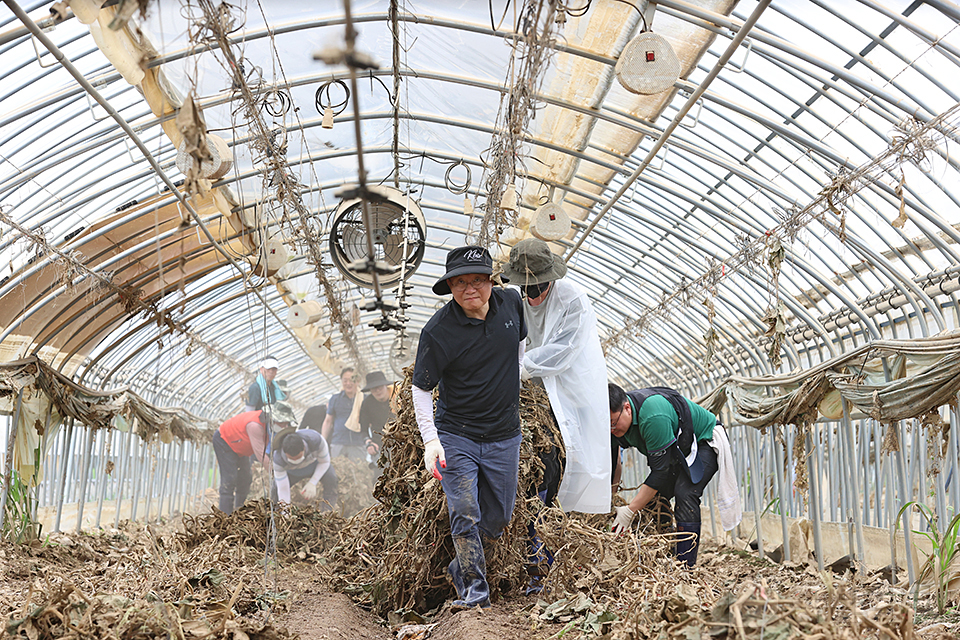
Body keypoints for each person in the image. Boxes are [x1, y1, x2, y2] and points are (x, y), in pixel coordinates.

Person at [412, 245, 526, 611]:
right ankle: (476, 591)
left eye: (477, 279)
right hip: (457, 435)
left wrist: (515, 380)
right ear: (450, 288)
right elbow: (421, 388)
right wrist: (431, 441)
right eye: (460, 282)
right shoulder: (438, 332)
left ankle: (459, 566)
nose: (470, 288)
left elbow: (520, 345)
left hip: (505, 433)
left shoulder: (512, 304)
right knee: (464, 510)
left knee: (499, 517)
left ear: (492, 280)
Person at [500, 238, 610, 513]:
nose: (532, 295)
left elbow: (564, 350)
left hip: (568, 389)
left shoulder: (572, 299)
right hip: (527, 391)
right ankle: (534, 514)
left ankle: (549, 515)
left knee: (557, 453)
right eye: (525, 288)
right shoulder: (514, 300)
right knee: (529, 453)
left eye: (537, 286)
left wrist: (516, 366)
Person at [608, 383, 739, 567]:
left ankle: (685, 565)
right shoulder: (614, 424)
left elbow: (660, 472)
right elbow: (613, 461)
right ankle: (663, 551)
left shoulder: (653, 416)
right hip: (677, 450)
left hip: (703, 441)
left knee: (685, 493)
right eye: (608, 426)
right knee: (655, 499)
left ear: (627, 408)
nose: (612, 430)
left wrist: (630, 510)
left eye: (614, 423)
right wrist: (611, 498)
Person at [213, 400, 296, 514]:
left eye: (286, 423)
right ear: (274, 419)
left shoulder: (270, 427)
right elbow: (261, 455)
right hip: (225, 441)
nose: (285, 426)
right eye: (283, 423)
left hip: (240, 447)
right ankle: (224, 515)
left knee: (245, 479)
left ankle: (239, 511)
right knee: (229, 479)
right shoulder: (255, 426)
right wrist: (276, 473)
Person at [271, 426, 338, 511]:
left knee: (331, 478)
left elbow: (324, 462)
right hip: (292, 472)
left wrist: (313, 482)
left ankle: (327, 512)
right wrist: (285, 511)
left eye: (298, 457)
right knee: (275, 489)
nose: (296, 461)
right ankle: (277, 515)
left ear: (304, 448)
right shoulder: (278, 459)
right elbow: (283, 489)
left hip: (315, 465)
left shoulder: (316, 440)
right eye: (292, 459)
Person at [321, 367, 366, 460]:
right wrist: (323, 441)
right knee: (339, 471)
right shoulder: (335, 399)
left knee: (361, 471)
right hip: (338, 442)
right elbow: (328, 421)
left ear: (357, 381)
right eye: (345, 380)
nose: (348, 383)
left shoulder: (364, 399)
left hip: (358, 442)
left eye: (351, 380)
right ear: (341, 381)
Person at [359, 370, 395, 471]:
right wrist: (368, 443)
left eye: (380, 387)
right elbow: (363, 429)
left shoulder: (397, 397)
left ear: (385, 386)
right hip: (381, 445)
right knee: (380, 476)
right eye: (374, 389)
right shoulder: (367, 403)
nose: (378, 391)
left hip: (404, 441)